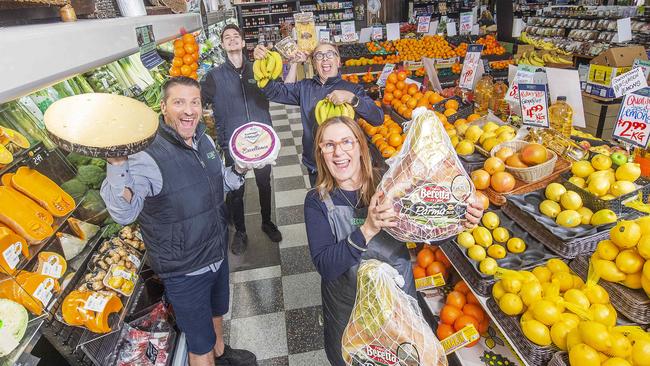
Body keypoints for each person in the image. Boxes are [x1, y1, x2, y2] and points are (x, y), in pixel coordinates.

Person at [101, 77, 257, 366]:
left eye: (194, 102)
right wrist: (117, 165)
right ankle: (211, 355)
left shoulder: (204, 139)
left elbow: (220, 185)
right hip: (185, 268)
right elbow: (124, 213)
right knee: (199, 342)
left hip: (215, 251)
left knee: (216, 311)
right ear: (163, 107)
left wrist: (239, 166)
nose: (189, 110)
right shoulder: (146, 156)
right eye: (179, 102)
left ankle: (221, 353)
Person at [304, 116, 484, 365]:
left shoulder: (391, 183)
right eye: (329, 145)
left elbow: (428, 232)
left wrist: (460, 220)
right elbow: (327, 266)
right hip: (348, 309)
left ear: (360, 145)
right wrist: (367, 228)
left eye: (347, 142)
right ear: (320, 152)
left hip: (399, 307)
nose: (339, 152)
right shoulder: (317, 201)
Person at [201, 24, 284, 254]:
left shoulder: (258, 70)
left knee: (263, 183)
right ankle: (241, 231)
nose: (231, 40)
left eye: (235, 36)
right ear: (223, 45)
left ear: (243, 42)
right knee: (236, 190)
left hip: (262, 141)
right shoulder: (214, 77)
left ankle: (267, 222)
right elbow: (198, 102)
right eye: (227, 37)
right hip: (233, 144)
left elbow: (279, 87)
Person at [253, 42, 384, 187]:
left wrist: (351, 99)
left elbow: (377, 118)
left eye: (330, 54)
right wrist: (262, 59)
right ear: (314, 64)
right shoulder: (304, 87)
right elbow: (272, 92)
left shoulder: (352, 89)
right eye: (319, 56)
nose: (325, 59)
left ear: (338, 61)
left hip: (345, 163)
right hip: (315, 164)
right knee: (321, 206)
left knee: (347, 207)